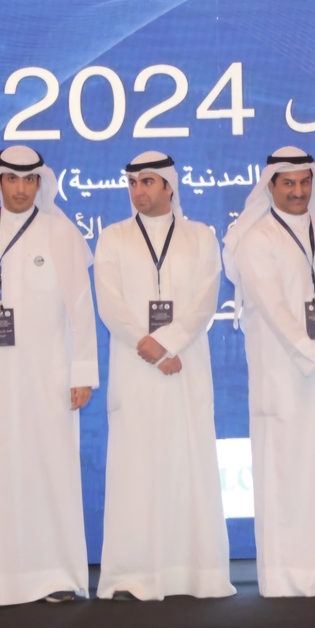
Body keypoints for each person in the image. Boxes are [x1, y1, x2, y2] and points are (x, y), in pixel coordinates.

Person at [0, 145, 98, 608]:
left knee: (51, 470)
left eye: (30, 180)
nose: (22, 188)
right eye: (13, 179)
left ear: (40, 183)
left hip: (50, 377)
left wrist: (83, 372)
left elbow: (81, 310)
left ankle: (56, 576)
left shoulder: (62, 234)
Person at [222, 146, 315, 597]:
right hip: (285, 371)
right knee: (289, 472)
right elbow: (273, 308)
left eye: (305, 182)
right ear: (270, 186)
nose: (298, 191)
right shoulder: (256, 239)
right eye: (288, 183)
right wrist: (313, 355)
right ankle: (290, 576)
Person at [94, 151, 234, 601]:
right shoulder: (112, 237)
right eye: (133, 183)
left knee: (187, 465)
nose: (139, 191)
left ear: (170, 186)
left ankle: (196, 574)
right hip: (135, 369)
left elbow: (205, 301)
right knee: (135, 470)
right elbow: (109, 303)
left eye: (149, 182)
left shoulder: (201, 236)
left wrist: (168, 342)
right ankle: (130, 575)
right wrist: (150, 347)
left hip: (185, 367)